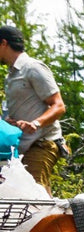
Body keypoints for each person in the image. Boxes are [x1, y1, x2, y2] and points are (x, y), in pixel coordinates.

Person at [0, 25, 67, 195]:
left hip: (42, 143)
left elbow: (59, 105)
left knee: (33, 196)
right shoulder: (11, 75)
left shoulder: (32, 68)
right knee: (28, 195)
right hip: (23, 146)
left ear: (3, 43)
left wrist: (36, 123)